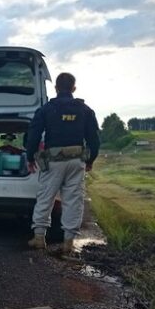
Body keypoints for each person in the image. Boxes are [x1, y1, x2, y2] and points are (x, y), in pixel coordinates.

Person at [25, 72, 100, 255]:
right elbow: (94, 140)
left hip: (53, 161)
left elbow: (33, 135)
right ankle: (68, 243)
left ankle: (39, 238)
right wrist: (90, 160)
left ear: (56, 88)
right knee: (73, 200)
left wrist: (30, 158)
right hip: (76, 161)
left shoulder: (46, 109)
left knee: (46, 198)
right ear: (74, 88)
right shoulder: (85, 110)